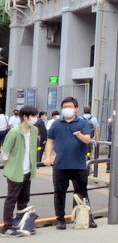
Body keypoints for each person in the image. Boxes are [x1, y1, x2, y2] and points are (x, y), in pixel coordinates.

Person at [44, 97, 96, 229]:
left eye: (70, 107)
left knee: (82, 192)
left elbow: (88, 139)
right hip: (60, 165)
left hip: (79, 164)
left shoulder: (82, 123)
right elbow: (50, 141)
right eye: (65, 107)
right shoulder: (56, 124)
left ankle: (87, 218)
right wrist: (48, 157)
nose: (67, 109)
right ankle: (60, 220)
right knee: (59, 193)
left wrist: (79, 135)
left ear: (76, 109)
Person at [2, 107, 40, 236]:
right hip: (15, 171)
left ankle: (20, 224)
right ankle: (7, 227)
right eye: (33, 116)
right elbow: (5, 151)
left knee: (24, 199)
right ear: (25, 117)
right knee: (11, 199)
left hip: (28, 170)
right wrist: (8, 163)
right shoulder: (14, 132)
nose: (35, 119)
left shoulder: (34, 130)